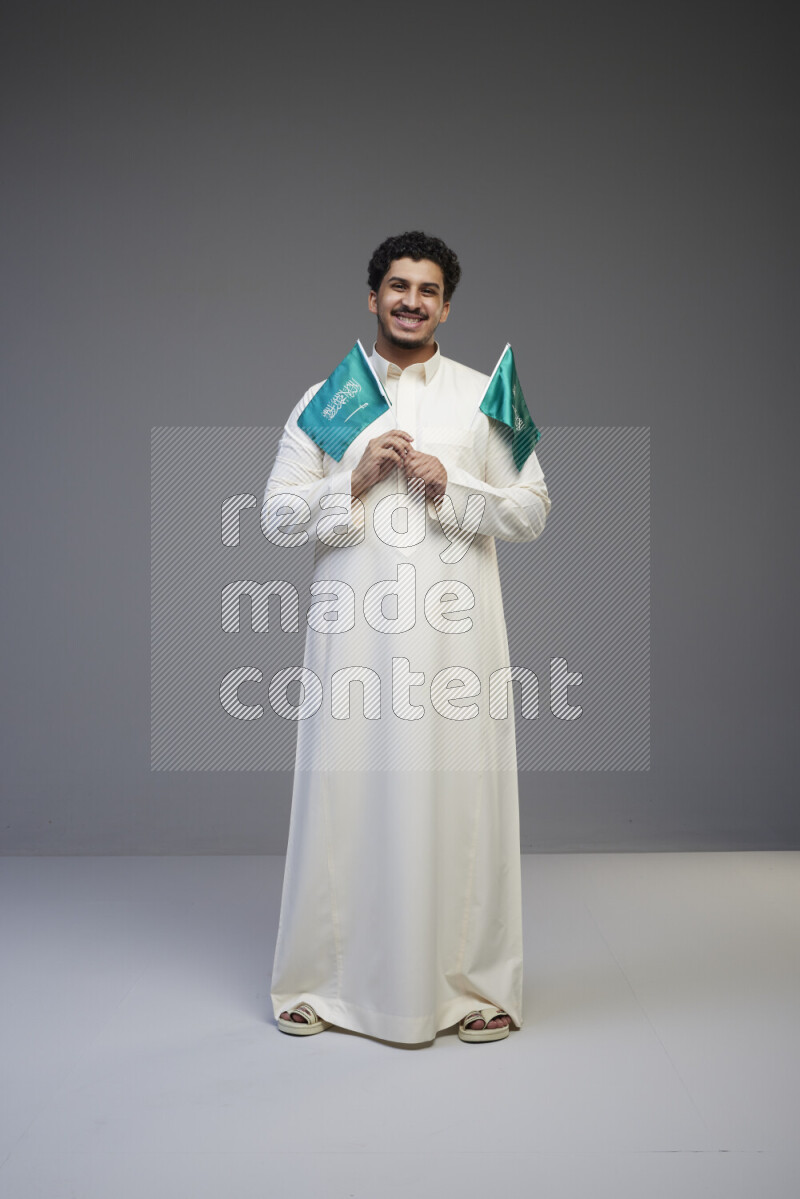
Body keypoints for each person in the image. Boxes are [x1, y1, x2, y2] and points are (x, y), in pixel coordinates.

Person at [262, 231, 551, 1044]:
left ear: (446, 306)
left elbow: (532, 509)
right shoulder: (326, 399)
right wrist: (348, 480)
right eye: (397, 285)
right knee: (342, 793)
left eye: (428, 289)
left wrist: (450, 481)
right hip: (353, 636)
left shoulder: (484, 394)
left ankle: (472, 987)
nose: (411, 301)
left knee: (462, 796)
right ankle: (321, 981)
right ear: (372, 297)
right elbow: (276, 516)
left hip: (457, 644)